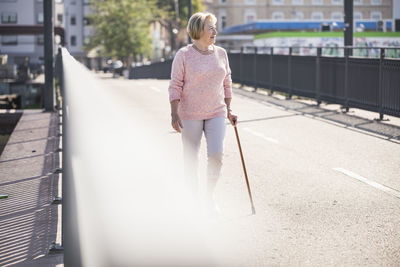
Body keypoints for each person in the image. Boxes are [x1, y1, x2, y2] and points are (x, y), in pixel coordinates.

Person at [168, 12, 237, 213]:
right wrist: (174, 113)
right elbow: (175, 85)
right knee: (191, 159)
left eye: (215, 27)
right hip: (189, 113)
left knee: (216, 155)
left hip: (216, 110)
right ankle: (192, 200)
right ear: (199, 30)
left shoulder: (221, 53)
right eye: (211, 28)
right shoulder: (183, 55)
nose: (215, 31)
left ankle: (209, 196)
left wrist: (229, 109)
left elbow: (227, 82)